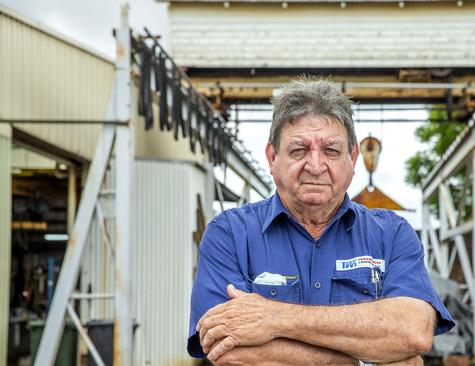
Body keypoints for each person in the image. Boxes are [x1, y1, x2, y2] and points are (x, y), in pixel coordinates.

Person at [188, 78, 454, 365]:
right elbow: (227, 350)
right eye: (299, 150)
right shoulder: (229, 234)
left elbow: (413, 332)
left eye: (331, 150)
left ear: (353, 158)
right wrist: (359, 360)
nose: (315, 166)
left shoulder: (392, 234)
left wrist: (273, 317)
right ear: (273, 157)